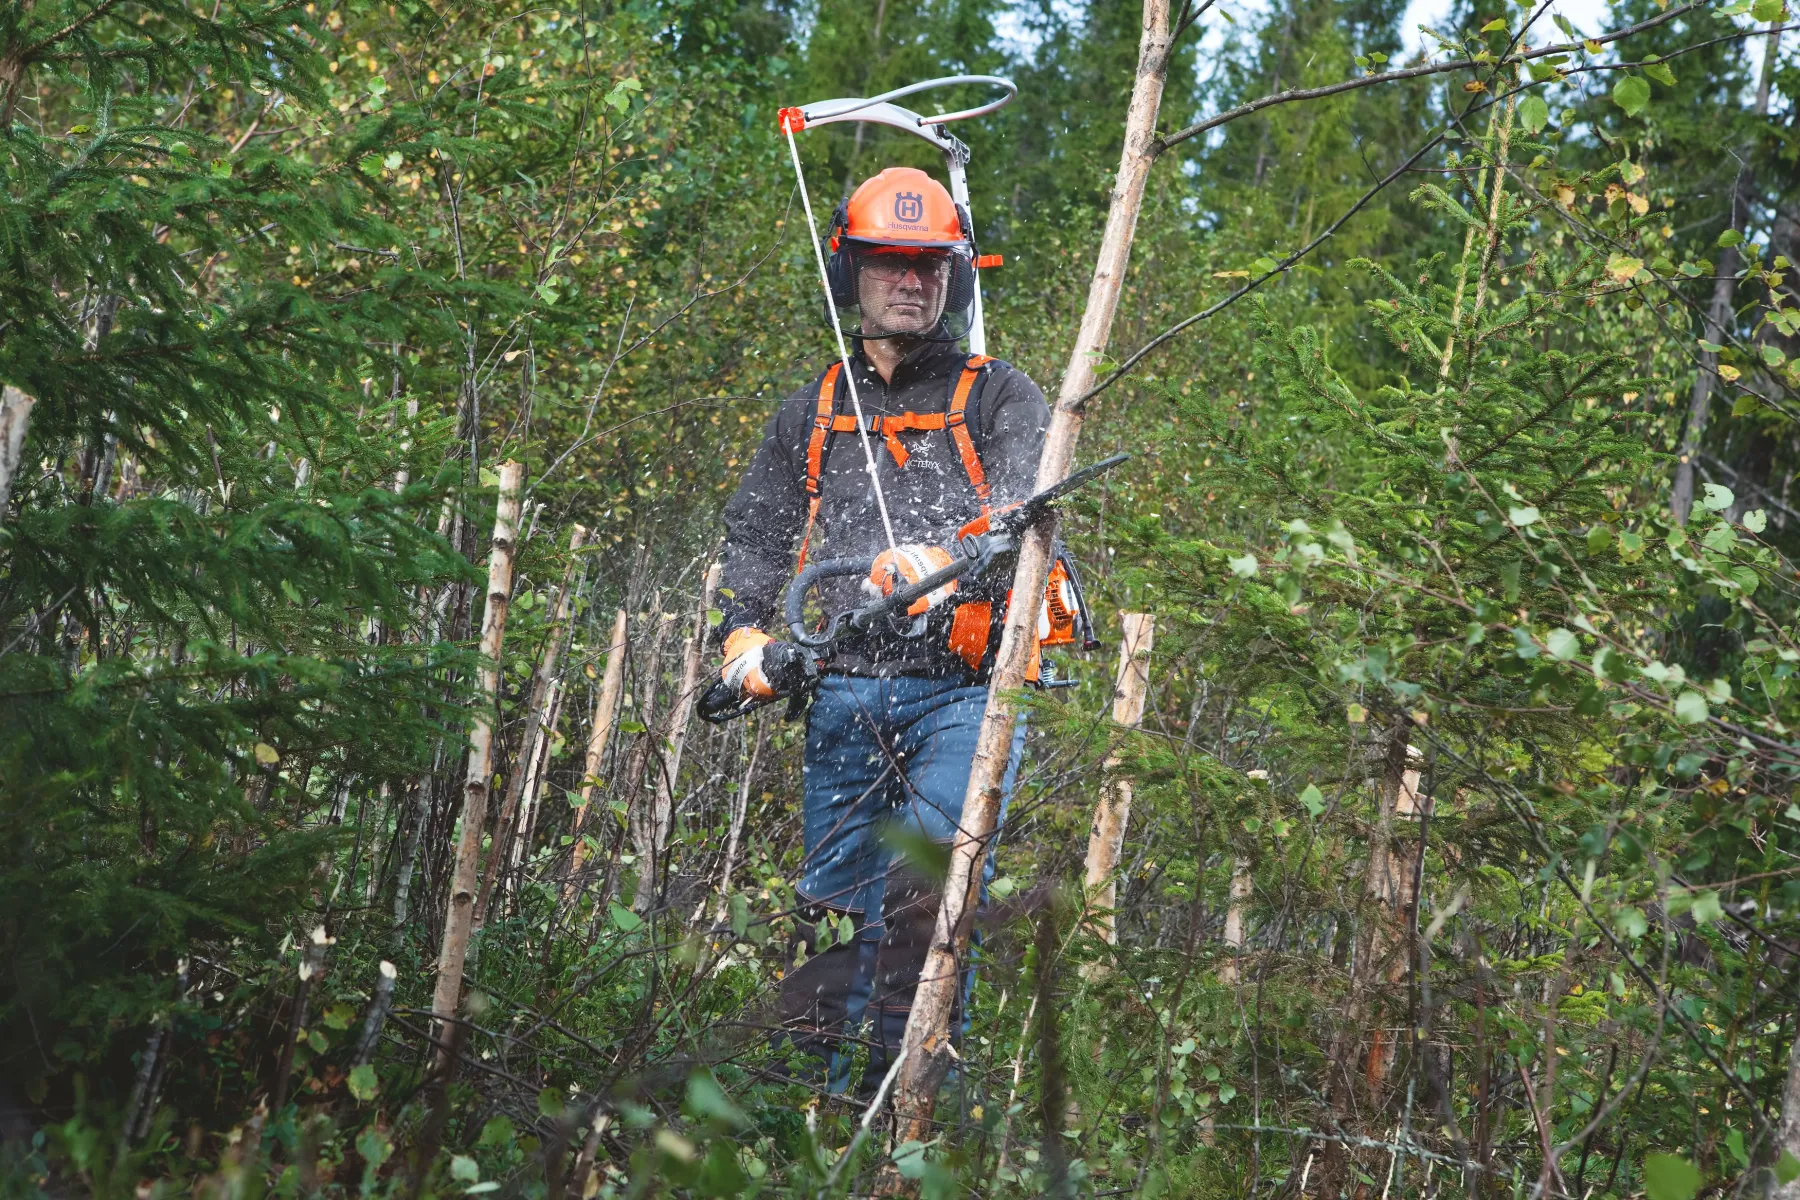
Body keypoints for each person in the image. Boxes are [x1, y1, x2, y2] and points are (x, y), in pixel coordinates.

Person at [715, 165, 1050, 1091]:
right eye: (890, 263)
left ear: (956, 277)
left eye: (929, 266)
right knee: (833, 908)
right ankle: (811, 1119)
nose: (911, 281)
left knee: (923, 904)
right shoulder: (815, 408)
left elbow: (1024, 509)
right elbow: (758, 532)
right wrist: (745, 636)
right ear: (850, 273)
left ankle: (908, 1118)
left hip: (965, 691)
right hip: (844, 685)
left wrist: (944, 561)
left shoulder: (1000, 396)